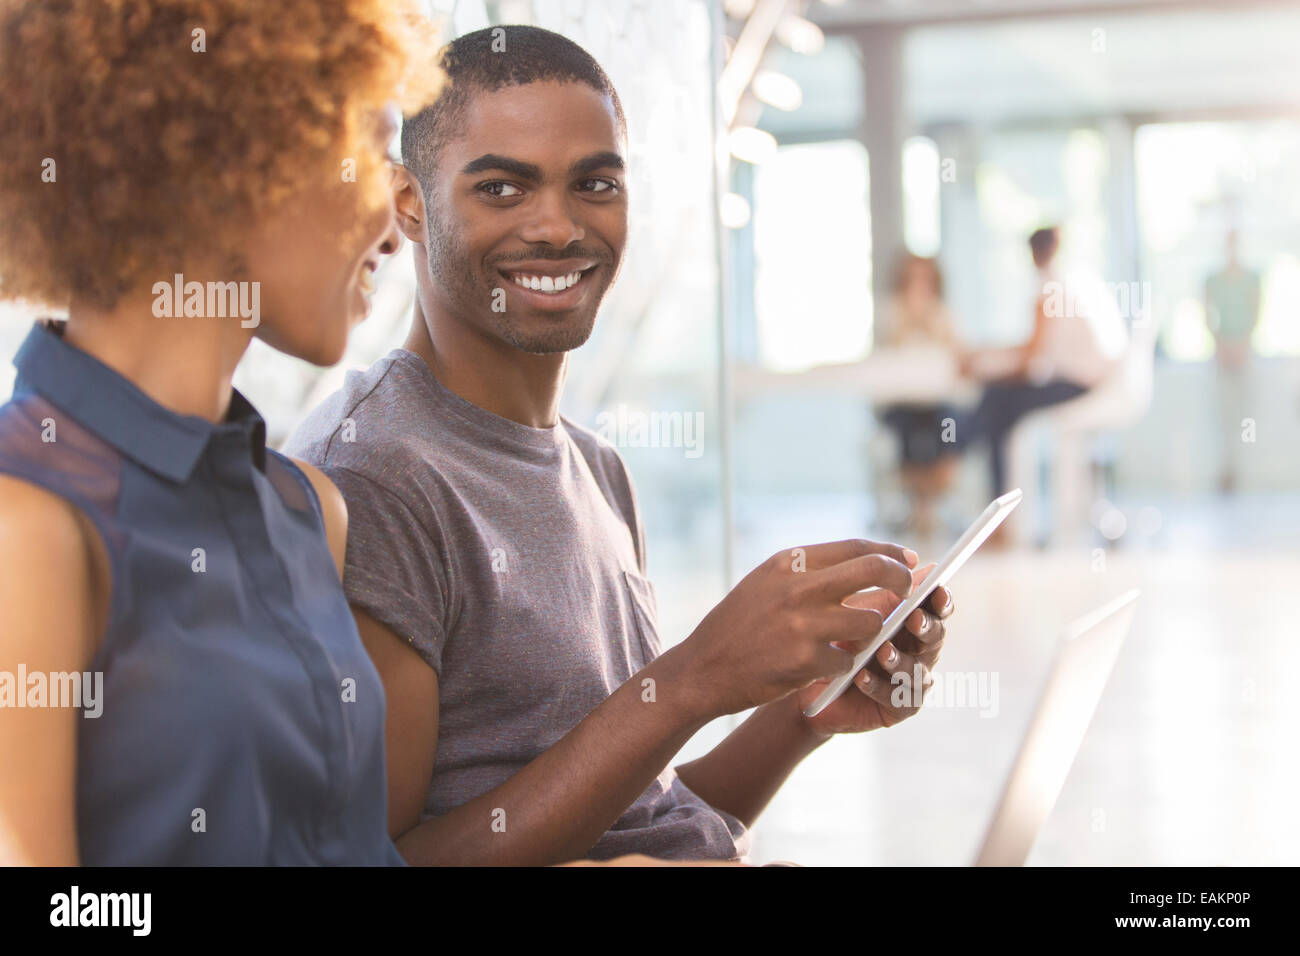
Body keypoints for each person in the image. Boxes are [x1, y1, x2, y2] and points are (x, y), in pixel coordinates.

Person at [286, 25, 955, 866]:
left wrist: (801, 713)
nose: (558, 228)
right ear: (409, 203)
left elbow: (642, 821)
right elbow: (386, 863)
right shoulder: (373, 476)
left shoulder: (596, 467)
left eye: (594, 184)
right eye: (502, 189)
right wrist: (691, 678)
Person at [0, 0, 441, 865]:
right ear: (233, 154)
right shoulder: (28, 527)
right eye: (374, 146)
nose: (402, 215)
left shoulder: (309, 510)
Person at [959, 226, 1124, 500]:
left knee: (996, 402)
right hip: (1103, 382)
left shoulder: (1050, 289)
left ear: (1033, 255)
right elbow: (1034, 348)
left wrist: (984, 369)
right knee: (998, 402)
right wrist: (986, 358)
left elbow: (1029, 360)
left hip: (1080, 384)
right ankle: (965, 445)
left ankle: (965, 456)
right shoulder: (1079, 282)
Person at [877, 254, 962, 538]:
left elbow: (955, 352)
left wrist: (929, 319)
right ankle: (918, 500)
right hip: (902, 402)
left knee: (946, 425)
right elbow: (888, 354)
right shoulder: (893, 312)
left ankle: (938, 486)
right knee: (906, 427)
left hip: (936, 402)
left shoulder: (941, 313)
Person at [1204, 229, 1261, 495]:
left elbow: (1256, 313)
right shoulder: (1213, 280)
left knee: (1246, 418)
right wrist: (1221, 343)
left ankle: (1244, 470)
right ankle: (1226, 470)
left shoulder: (1252, 279)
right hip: (1222, 356)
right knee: (1224, 416)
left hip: (1244, 355)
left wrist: (1242, 344)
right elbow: (1207, 315)